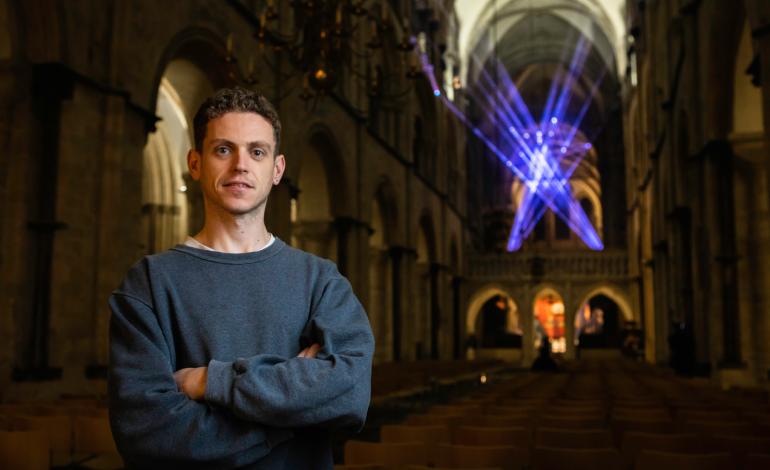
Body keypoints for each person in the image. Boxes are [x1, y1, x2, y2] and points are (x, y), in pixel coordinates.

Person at [108, 87, 375, 469]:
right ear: (196, 163)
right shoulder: (148, 283)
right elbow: (147, 432)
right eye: (222, 149)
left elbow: (349, 393)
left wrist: (211, 383)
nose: (240, 165)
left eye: (257, 151)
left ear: (277, 169)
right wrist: (293, 418)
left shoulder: (321, 281)